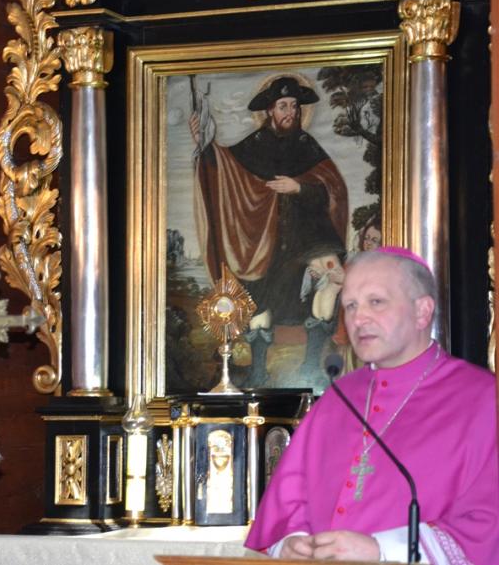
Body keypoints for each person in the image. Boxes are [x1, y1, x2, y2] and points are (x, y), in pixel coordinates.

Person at [245, 247, 499, 563]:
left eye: (376, 302)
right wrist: (290, 542)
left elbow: (488, 524)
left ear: (422, 311)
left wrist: (382, 550)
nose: (358, 318)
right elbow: (290, 500)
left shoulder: (484, 400)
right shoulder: (338, 399)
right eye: (350, 305)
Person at [190, 75, 349, 386]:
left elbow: (333, 189)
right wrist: (203, 145)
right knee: (259, 296)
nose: (290, 112)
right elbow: (226, 169)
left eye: (294, 106)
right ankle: (258, 371)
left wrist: (299, 187)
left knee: (328, 280)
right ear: (269, 111)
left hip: (309, 234)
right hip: (266, 238)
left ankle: (311, 368)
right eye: (283, 106)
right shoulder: (255, 144)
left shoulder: (307, 145)